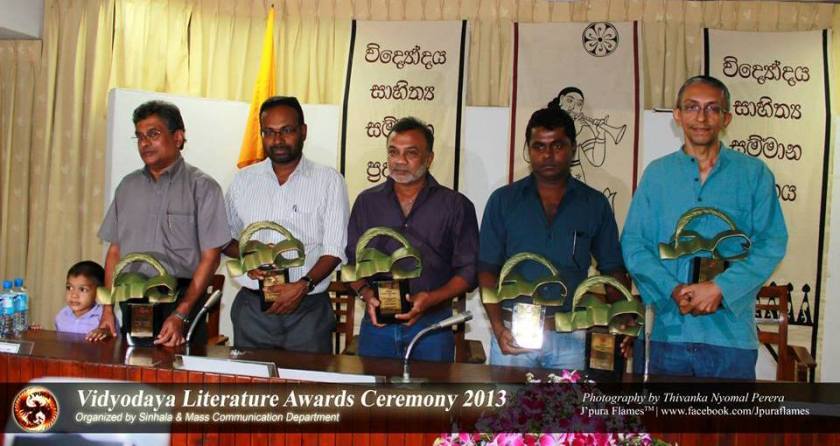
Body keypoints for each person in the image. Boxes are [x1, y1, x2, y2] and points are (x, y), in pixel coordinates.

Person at [621, 75, 788, 380]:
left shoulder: (754, 175)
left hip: (731, 340)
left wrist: (720, 288)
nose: (701, 117)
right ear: (677, 115)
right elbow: (634, 244)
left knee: (727, 427)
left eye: (712, 109)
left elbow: (771, 243)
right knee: (665, 429)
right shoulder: (657, 176)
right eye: (692, 107)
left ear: (726, 118)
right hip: (668, 336)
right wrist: (671, 289)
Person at [479, 105, 629, 370]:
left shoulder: (594, 204)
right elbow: (487, 269)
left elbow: (613, 269)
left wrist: (621, 316)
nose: (547, 155)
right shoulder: (503, 201)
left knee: (567, 411)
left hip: (570, 333)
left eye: (557, 146)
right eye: (539, 146)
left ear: (573, 148)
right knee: (510, 411)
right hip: (513, 332)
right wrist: (497, 326)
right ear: (528, 150)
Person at [89, 100, 230, 347]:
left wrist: (181, 313)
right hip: (133, 300)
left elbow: (211, 258)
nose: (145, 143)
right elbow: (115, 252)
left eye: (153, 134)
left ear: (178, 138)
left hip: (180, 303)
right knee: (133, 376)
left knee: (177, 381)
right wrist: (108, 310)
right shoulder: (127, 187)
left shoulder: (203, 188)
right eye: (139, 137)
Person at [346, 116, 478, 362]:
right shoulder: (367, 202)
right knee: (373, 399)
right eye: (393, 152)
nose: (399, 161)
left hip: (432, 328)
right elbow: (352, 262)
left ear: (429, 159)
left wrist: (431, 299)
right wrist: (366, 294)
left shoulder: (455, 206)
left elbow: (469, 272)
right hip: (377, 328)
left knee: (429, 400)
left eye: (411, 153)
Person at [224, 96, 349, 353]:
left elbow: (335, 249)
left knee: (307, 391)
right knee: (252, 389)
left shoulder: (329, 181)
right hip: (253, 310)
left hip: (308, 311)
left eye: (286, 131)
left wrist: (302, 286)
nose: (277, 140)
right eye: (269, 132)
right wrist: (247, 255)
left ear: (303, 131)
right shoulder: (243, 181)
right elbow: (224, 238)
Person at [55, 261, 115, 334]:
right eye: (69, 287)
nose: (74, 295)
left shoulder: (104, 317)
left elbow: (116, 341)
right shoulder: (62, 315)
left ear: (99, 293)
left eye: (82, 289)